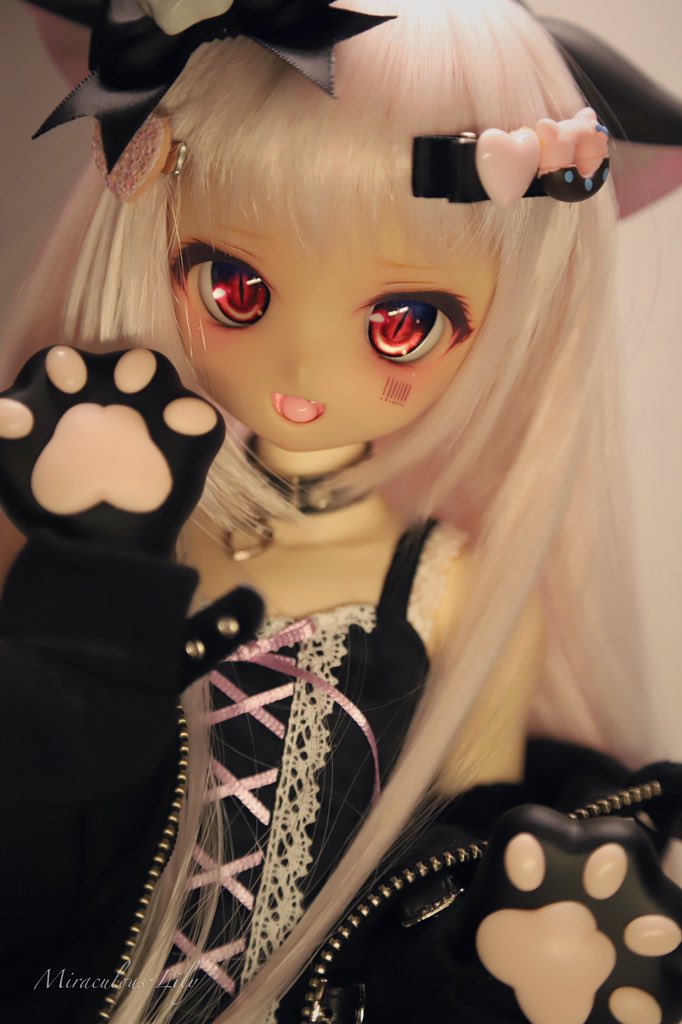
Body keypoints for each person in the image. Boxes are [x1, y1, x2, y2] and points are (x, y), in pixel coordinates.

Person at [1, 1, 681, 1022]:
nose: (305, 370)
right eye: (236, 287)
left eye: (401, 321)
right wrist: (89, 582)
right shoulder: (128, 533)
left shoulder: (450, 589)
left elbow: (451, 857)